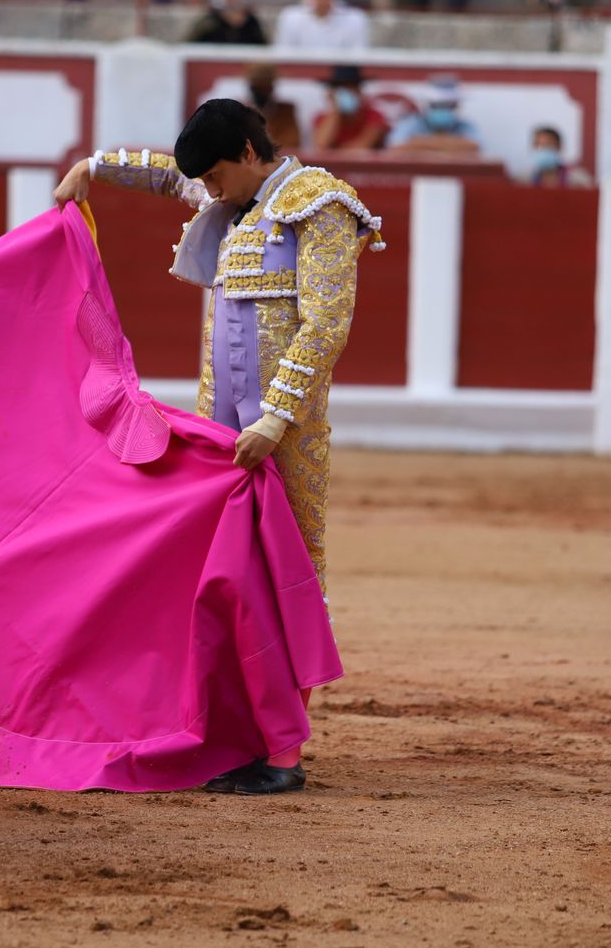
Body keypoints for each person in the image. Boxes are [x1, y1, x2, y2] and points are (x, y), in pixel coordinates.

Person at [53, 98, 384, 793]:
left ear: (247, 151)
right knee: (225, 577)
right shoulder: (231, 195)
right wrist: (94, 166)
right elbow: (165, 175)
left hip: (281, 436)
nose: (204, 190)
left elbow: (325, 325)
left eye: (214, 177)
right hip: (221, 432)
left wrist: (278, 417)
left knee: (285, 573)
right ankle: (237, 734)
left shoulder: (319, 204)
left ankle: (283, 754)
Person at [385, 72, 479, 154]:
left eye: (448, 106)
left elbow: (475, 147)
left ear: (456, 106)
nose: (442, 110)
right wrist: (452, 144)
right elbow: (395, 146)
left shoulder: (465, 125)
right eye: (437, 105)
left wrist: (418, 142)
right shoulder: (411, 123)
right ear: (428, 105)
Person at [311, 63, 388, 151]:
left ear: (358, 90)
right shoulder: (322, 118)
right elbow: (320, 146)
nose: (345, 92)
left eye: (349, 87)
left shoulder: (374, 116)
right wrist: (335, 111)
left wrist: (335, 151)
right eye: (340, 88)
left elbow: (360, 148)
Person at [246, 62, 300, 149]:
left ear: (271, 87)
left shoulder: (286, 111)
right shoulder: (241, 110)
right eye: (256, 86)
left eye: (263, 86)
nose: (259, 91)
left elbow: (292, 142)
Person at [528, 125, 593, 186]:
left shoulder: (578, 178)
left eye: (548, 144)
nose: (542, 149)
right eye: (538, 145)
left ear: (559, 146)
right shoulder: (526, 179)